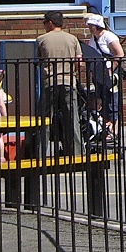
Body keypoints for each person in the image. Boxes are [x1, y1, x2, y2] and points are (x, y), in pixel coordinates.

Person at [36, 11, 83, 157]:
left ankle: (41, 154)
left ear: (50, 22)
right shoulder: (72, 39)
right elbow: (79, 62)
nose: (44, 26)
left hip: (50, 82)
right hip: (69, 81)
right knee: (72, 119)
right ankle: (76, 153)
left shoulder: (41, 39)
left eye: (44, 23)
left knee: (45, 120)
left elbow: (39, 60)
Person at [85, 13, 124, 141]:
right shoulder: (93, 39)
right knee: (100, 99)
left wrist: (110, 70)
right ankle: (103, 127)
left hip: (110, 74)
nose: (90, 28)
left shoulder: (109, 37)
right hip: (98, 72)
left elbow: (119, 54)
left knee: (112, 100)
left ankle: (113, 130)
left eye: (91, 25)